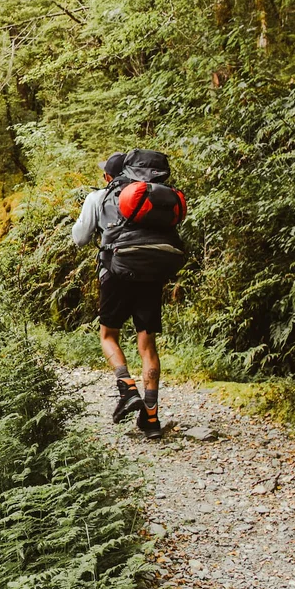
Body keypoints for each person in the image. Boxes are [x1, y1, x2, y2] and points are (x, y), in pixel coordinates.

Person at [71, 152, 164, 439]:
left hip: (114, 272)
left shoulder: (98, 198)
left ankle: (128, 388)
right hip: (151, 273)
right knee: (147, 345)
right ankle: (151, 419)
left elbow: (80, 238)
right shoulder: (150, 197)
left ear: (108, 177)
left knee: (109, 334)